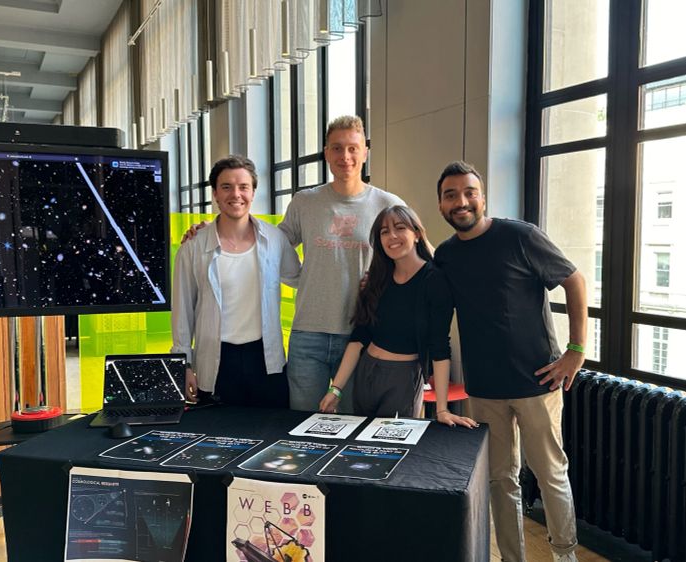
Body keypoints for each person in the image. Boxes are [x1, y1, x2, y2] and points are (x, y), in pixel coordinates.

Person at [183, 115, 404, 412]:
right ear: (326, 152)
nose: (345, 157)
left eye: (353, 148)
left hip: (360, 333)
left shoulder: (388, 205)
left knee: (350, 422)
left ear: (365, 151)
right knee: (298, 426)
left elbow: (412, 259)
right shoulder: (305, 202)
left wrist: (382, 282)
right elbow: (269, 242)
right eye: (337, 148)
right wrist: (211, 228)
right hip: (307, 335)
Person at [433, 161, 586, 562]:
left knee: (551, 475)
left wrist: (576, 350)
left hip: (538, 383)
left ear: (482, 197)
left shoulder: (521, 236)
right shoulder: (446, 256)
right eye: (451, 195)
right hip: (484, 390)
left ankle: (564, 555)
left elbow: (574, 280)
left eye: (469, 192)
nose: (461, 201)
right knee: (502, 481)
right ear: (441, 206)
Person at [317, 205, 477, 427]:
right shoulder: (376, 279)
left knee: (391, 453)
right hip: (366, 373)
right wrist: (336, 389)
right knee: (359, 448)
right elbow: (359, 337)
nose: (392, 236)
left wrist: (441, 409)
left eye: (400, 228)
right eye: (384, 231)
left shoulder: (434, 280)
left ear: (417, 234)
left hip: (403, 379)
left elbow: (440, 346)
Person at [171, 155, 301, 407]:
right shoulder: (193, 247)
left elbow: (300, 279)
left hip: (266, 358)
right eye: (226, 187)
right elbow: (182, 312)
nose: (236, 194)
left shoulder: (274, 240)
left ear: (253, 192)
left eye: (243, 187)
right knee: (218, 439)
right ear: (216, 194)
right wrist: (183, 364)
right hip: (217, 360)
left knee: (270, 435)